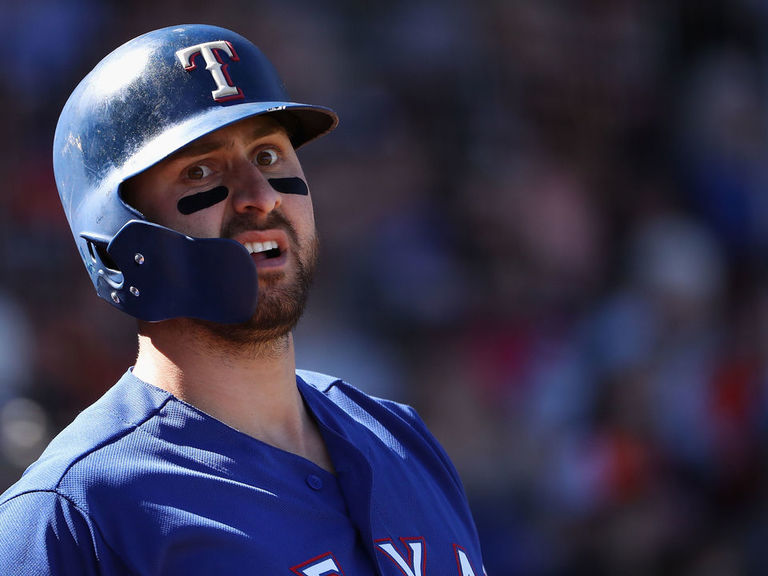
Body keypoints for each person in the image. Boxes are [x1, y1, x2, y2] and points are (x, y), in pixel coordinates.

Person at [0, 24, 486, 575]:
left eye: (270, 155)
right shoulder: (71, 516)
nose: (261, 196)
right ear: (118, 241)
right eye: (200, 171)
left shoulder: (400, 438)